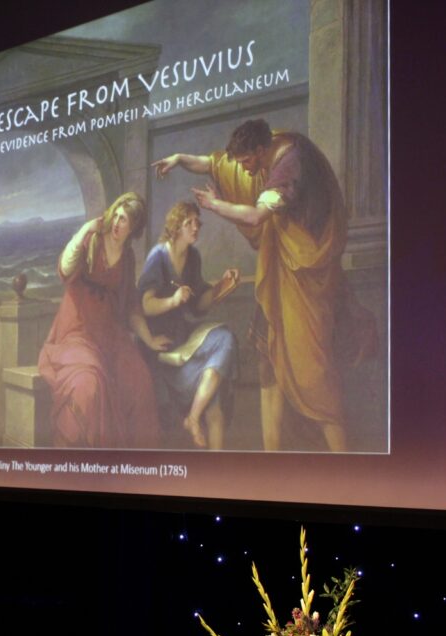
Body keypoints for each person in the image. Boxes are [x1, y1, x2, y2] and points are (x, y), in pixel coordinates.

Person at [152, 119, 376, 452]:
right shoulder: (271, 148)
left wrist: (214, 206)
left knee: (314, 375)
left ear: (260, 150)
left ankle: (345, 465)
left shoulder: (289, 167)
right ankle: (271, 455)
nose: (244, 170)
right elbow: (214, 163)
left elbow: (257, 216)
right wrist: (179, 159)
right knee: (267, 357)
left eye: (246, 162)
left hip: (305, 283)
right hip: (278, 279)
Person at [38, 191, 172, 448]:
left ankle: (136, 467)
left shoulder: (128, 258)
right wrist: (85, 230)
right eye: (117, 216)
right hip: (76, 331)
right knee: (89, 382)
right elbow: (65, 269)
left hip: (111, 335)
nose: (117, 224)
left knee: (140, 380)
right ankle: (76, 455)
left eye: (125, 221)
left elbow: (132, 306)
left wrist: (149, 339)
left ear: (133, 229)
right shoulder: (92, 242)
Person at [138, 201, 239, 449]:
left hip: (183, 341)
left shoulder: (193, 257)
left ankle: (193, 419)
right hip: (161, 347)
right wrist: (172, 300)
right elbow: (145, 305)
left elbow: (197, 306)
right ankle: (194, 419)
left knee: (225, 339)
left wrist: (219, 289)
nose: (196, 227)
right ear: (176, 227)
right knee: (214, 407)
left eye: (197, 222)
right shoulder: (158, 256)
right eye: (189, 223)